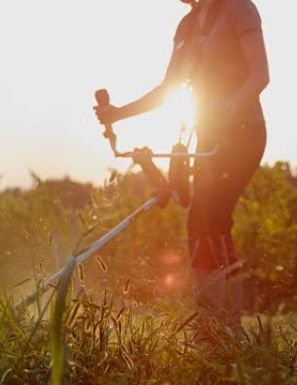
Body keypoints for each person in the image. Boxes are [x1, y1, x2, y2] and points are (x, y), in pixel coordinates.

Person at [94, 0, 269, 333]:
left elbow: (261, 75)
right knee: (203, 220)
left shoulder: (239, 8)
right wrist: (118, 113)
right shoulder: (186, 26)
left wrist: (230, 106)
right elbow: (167, 89)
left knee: (209, 215)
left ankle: (220, 322)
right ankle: (219, 321)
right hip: (208, 137)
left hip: (244, 131)